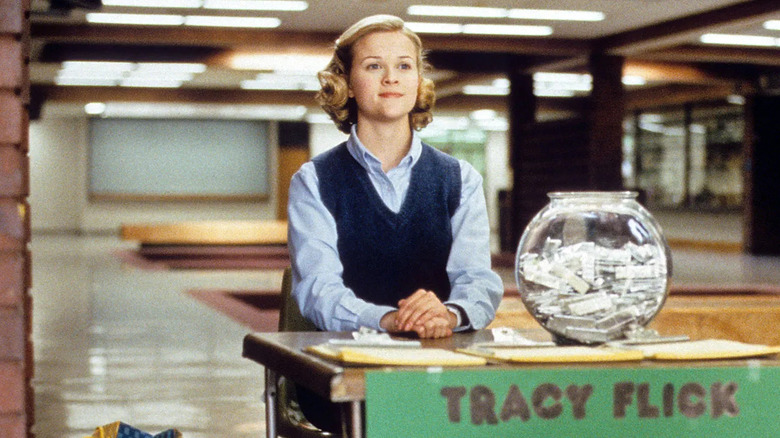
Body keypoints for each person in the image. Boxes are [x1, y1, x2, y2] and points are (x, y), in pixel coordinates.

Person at [286, 14, 504, 433]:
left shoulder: (460, 179)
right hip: (346, 378)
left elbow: (478, 281)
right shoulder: (313, 180)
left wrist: (449, 314)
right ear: (346, 83)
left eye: (404, 65)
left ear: (418, 80)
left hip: (442, 372)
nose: (391, 77)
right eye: (374, 66)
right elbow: (318, 290)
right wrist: (389, 320)